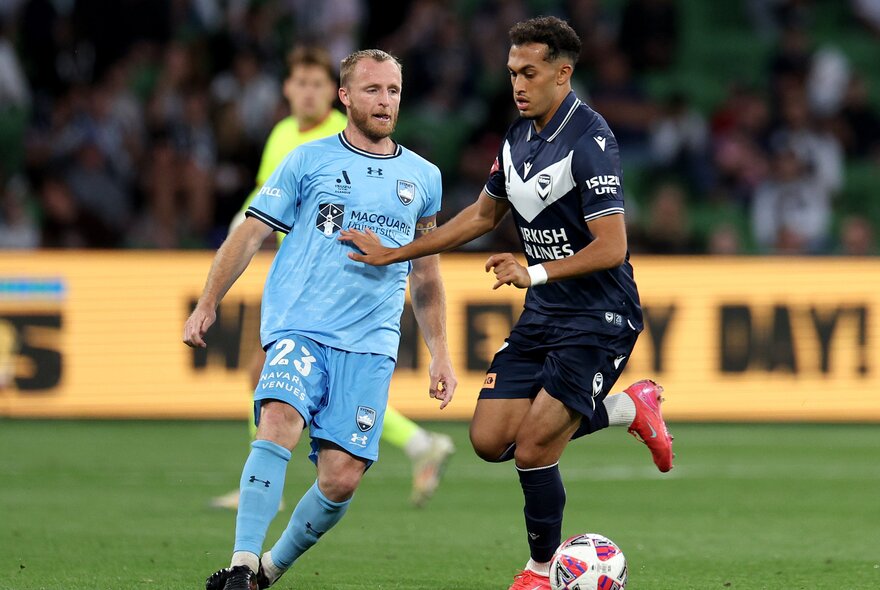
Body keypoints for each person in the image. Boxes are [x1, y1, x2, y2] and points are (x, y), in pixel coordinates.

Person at [339, 17, 674, 590]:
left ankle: (541, 571)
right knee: (490, 440)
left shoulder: (589, 140)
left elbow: (613, 246)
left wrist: (533, 270)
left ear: (562, 74)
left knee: (534, 448)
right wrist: (398, 252)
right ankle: (628, 408)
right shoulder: (518, 138)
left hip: (598, 317)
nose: (517, 84)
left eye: (530, 72)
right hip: (545, 315)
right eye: (512, 72)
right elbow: (481, 216)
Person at [184, 48, 456, 590]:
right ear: (346, 96)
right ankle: (240, 565)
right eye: (373, 90)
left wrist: (441, 352)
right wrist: (209, 299)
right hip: (299, 325)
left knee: (340, 479)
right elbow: (251, 231)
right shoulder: (307, 159)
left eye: (394, 91)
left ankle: (268, 570)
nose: (385, 101)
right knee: (279, 417)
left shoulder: (424, 178)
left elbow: (426, 273)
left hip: (370, 343)